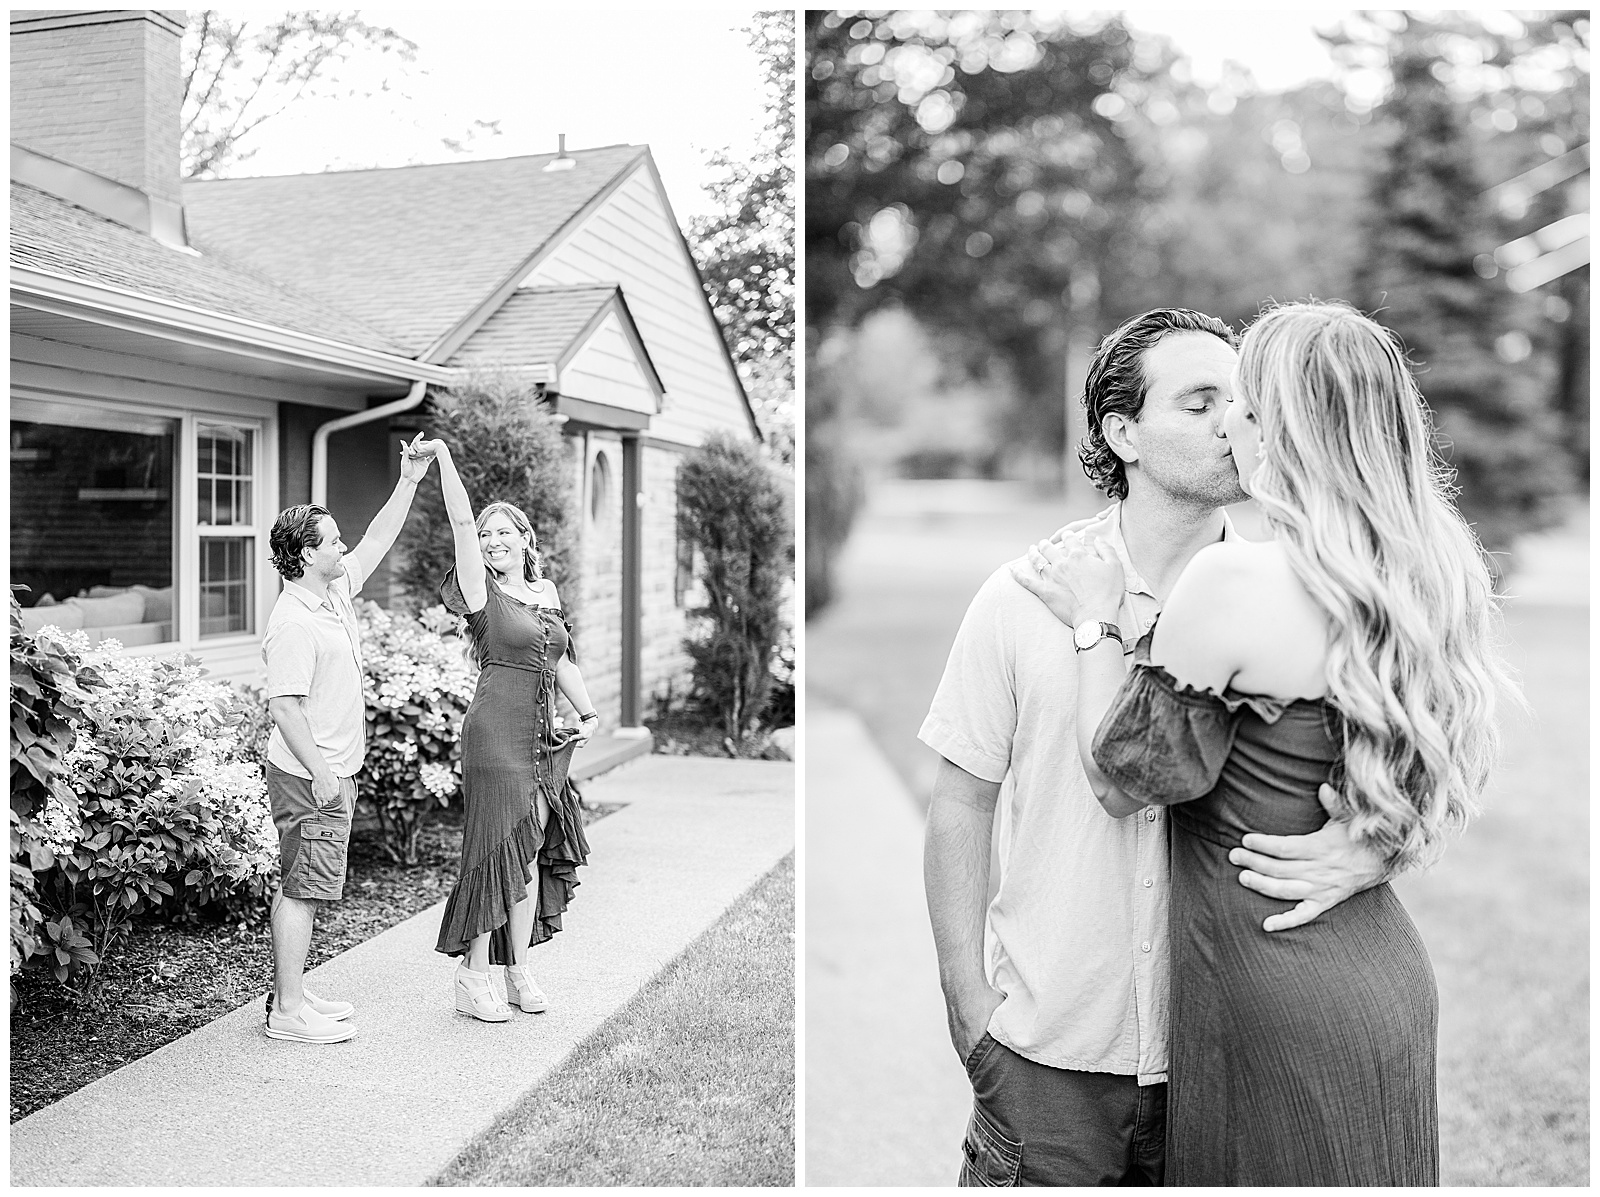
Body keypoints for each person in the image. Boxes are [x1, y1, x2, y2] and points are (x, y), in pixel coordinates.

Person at [1022, 300, 1512, 1184]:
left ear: (1285, 428)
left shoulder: (1235, 579)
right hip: (1379, 977)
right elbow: (1427, 773)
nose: (1228, 423)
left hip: (1271, 989)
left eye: (1243, 403)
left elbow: (1125, 780)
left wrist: (1098, 622)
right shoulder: (1421, 578)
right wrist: (1378, 849)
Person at [920, 308, 1389, 1185]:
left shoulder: (1295, 598)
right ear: (1122, 432)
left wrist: (1371, 850)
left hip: (1230, 1059)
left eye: (1240, 401)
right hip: (1047, 1055)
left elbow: (1388, 773)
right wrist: (968, 1007)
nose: (1230, 423)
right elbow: (961, 798)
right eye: (1198, 401)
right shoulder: (1021, 597)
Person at [262, 432, 436, 1044]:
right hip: (313, 774)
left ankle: (293, 991)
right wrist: (325, 773)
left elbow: (378, 538)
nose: (343, 546)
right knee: (304, 887)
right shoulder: (292, 623)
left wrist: (409, 480)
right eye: (332, 540)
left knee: (308, 883)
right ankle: (286, 1012)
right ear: (306, 555)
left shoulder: (332, 593)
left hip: (331, 768)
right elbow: (283, 706)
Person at [418, 436, 596, 1023]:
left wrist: (588, 713)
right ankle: (474, 975)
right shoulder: (479, 589)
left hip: (545, 739)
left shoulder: (544, 592)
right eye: (486, 534)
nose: (492, 541)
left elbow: (561, 659)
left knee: (528, 852)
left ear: (526, 540)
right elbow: (462, 523)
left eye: (504, 533)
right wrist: (443, 459)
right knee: (494, 847)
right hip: (495, 733)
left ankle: (517, 968)